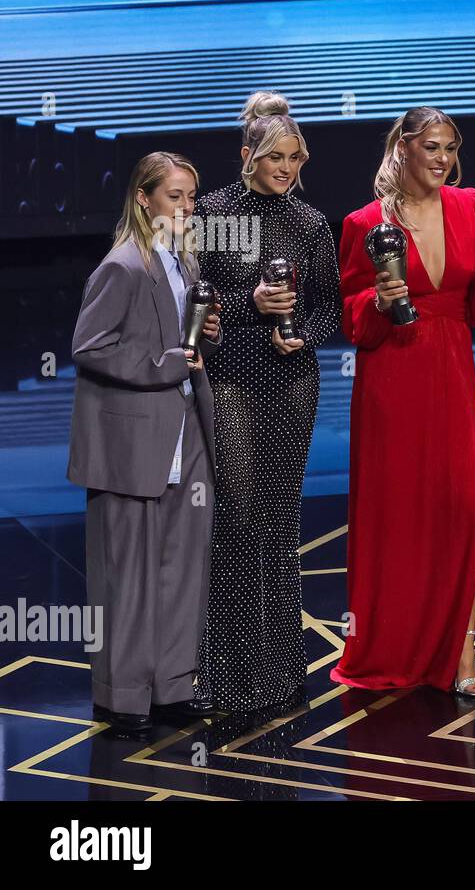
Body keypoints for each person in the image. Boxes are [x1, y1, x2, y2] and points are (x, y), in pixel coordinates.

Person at [331, 107, 475, 697]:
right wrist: (381, 303)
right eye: (431, 147)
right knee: (400, 515)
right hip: (393, 377)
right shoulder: (365, 221)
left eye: (450, 149)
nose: (442, 159)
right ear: (403, 148)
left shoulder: (470, 205)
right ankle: (391, 648)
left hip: (454, 373)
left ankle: (462, 654)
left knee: (463, 506)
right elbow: (353, 320)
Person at [193, 91, 340, 712]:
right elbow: (197, 294)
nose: (287, 169)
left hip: (291, 381)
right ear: (248, 154)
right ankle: (222, 673)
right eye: (277, 157)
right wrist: (247, 306)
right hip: (230, 378)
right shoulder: (211, 212)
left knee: (280, 521)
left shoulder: (310, 222)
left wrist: (305, 330)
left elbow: (330, 305)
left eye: (296, 159)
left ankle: (278, 670)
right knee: (237, 514)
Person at [68, 151, 222, 733]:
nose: (187, 208)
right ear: (143, 199)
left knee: (182, 569)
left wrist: (205, 330)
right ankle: (122, 694)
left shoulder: (182, 261)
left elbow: (179, 341)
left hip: (186, 437)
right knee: (126, 577)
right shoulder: (124, 265)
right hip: (132, 446)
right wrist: (164, 364)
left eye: (190, 198)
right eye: (175, 197)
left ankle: (172, 686)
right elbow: (90, 346)